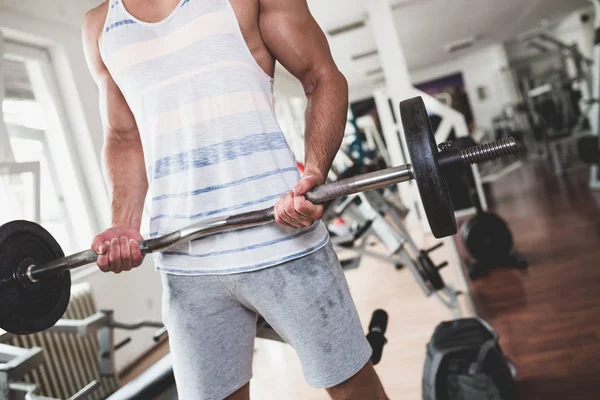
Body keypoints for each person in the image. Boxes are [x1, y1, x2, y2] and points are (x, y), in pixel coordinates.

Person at [82, 0, 388, 398]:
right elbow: (124, 137)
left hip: (283, 239)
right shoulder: (100, 27)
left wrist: (313, 174)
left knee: (354, 390)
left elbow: (321, 75)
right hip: (185, 262)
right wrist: (125, 222)